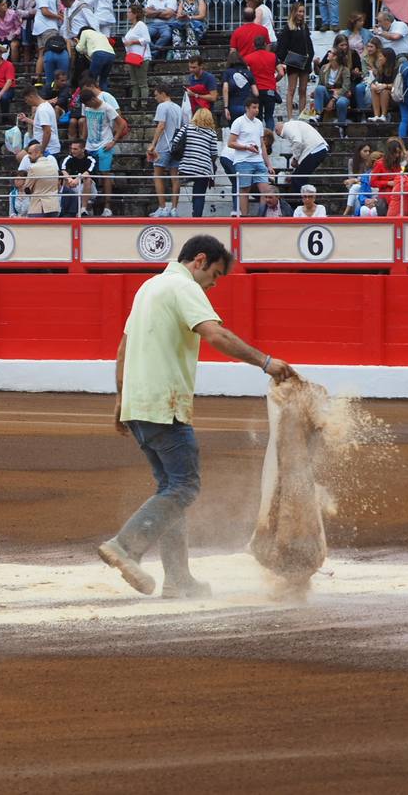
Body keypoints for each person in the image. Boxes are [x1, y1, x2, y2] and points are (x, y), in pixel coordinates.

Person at [101, 235, 296, 599]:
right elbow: (215, 335)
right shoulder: (183, 286)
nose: (215, 283)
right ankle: (126, 546)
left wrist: (120, 400)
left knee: (172, 490)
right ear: (200, 261)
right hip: (165, 403)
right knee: (184, 487)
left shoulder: (149, 287)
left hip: (140, 405)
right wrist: (266, 362)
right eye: (216, 274)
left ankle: (178, 579)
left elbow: (123, 347)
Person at [222, 100, 275, 216]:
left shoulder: (259, 123)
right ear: (247, 108)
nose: (256, 110)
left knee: (265, 191)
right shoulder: (238, 122)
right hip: (243, 161)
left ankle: (261, 216)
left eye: (257, 107)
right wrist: (246, 147)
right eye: (254, 107)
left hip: (258, 161)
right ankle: (245, 217)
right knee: (244, 191)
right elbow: (230, 143)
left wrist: (269, 164)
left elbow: (262, 145)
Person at [147, 84, 184, 217]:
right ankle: (174, 208)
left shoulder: (162, 106)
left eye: (156, 95)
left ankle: (162, 207)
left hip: (164, 146)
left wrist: (153, 144)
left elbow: (161, 125)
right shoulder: (178, 108)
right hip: (176, 146)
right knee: (175, 178)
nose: (155, 98)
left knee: (157, 175)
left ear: (163, 93)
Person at [177, 108, 220, 218]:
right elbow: (214, 153)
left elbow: (176, 142)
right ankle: (197, 217)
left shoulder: (186, 128)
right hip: (203, 168)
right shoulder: (212, 133)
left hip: (186, 167)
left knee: (177, 182)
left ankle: (173, 207)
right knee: (199, 195)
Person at [276, 119, 330, 194]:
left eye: (281, 136)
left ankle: (301, 202)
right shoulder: (293, 125)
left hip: (314, 150)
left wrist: (295, 159)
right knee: (298, 177)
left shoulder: (287, 128)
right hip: (317, 149)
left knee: (298, 179)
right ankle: (303, 201)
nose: (283, 137)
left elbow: (297, 142)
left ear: (277, 130)